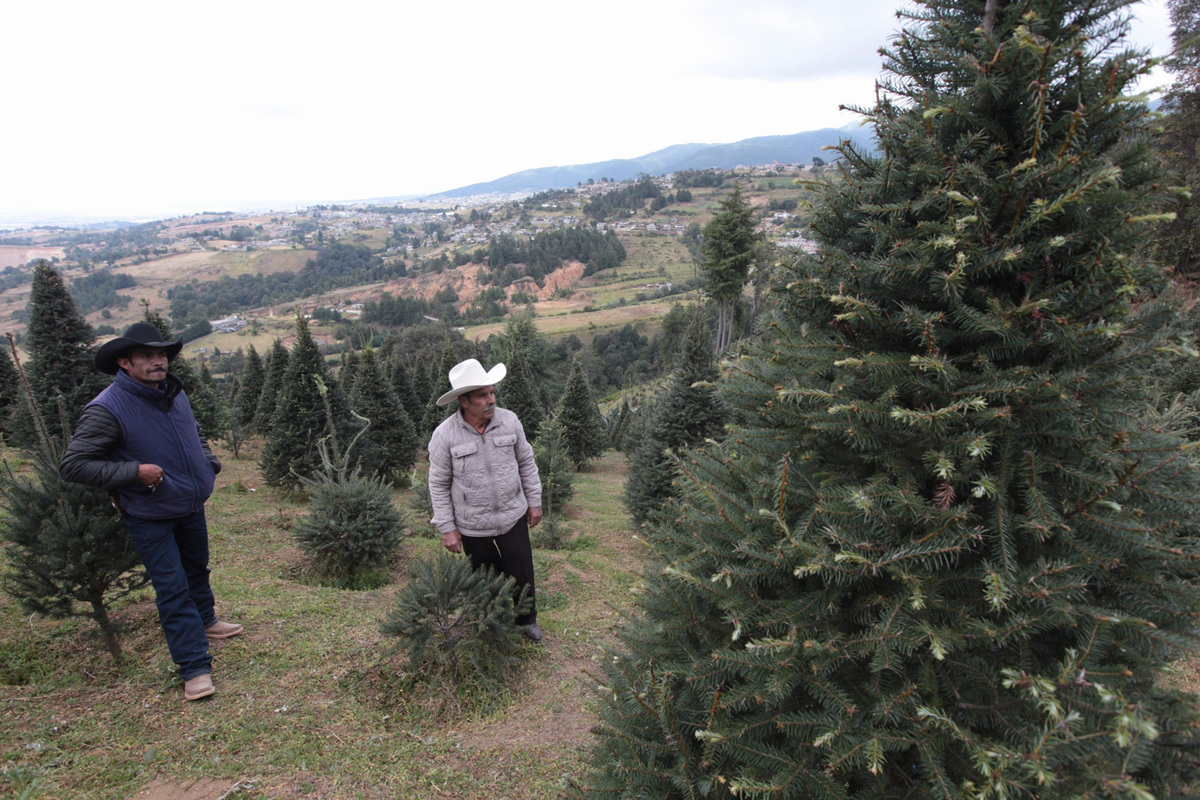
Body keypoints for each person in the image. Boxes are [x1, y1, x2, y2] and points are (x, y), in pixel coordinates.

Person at [60, 323, 243, 701]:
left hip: (188, 503)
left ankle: (207, 619)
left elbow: (194, 431)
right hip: (148, 512)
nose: (158, 362)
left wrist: (208, 463)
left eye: (161, 354)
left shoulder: (173, 392)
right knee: (172, 588)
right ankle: (194, 668)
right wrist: (134, 472)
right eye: (147, 356)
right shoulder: (107, 409)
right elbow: (74, 464)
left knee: (196, 568)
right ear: (125, 363)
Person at [427, 358, 544, 642]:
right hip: (472, 523)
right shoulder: (445, 436)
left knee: (521, 570)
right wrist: (447, 527)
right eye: (482, 395)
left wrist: (534, 500)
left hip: (512, 514)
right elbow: (439, 483)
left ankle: (526, 620)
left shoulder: (509, 421)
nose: (491, 399)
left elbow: (526, 461)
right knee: (484, 574)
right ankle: (491, 622)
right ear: (464, 402)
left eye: (492, 392)